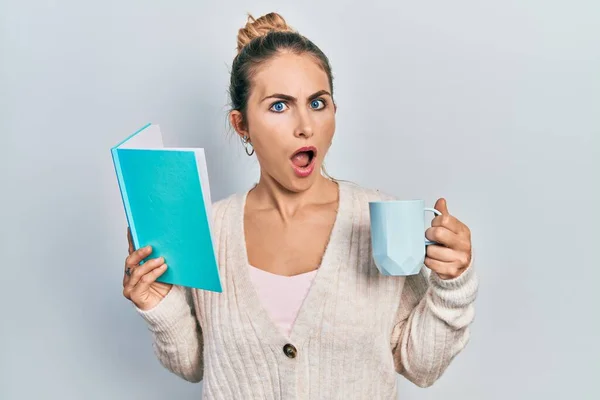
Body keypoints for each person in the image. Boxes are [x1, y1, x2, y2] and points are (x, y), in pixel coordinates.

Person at [121, 12, 478, 399]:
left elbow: (421, 366)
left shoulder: (380, 218)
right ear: (242, 125)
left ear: (334, 113)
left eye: (318, 103)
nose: (305, 125)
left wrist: (452, 285)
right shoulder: (207, 230)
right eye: (279, 106)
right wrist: (159, 304)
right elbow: (194, 365)